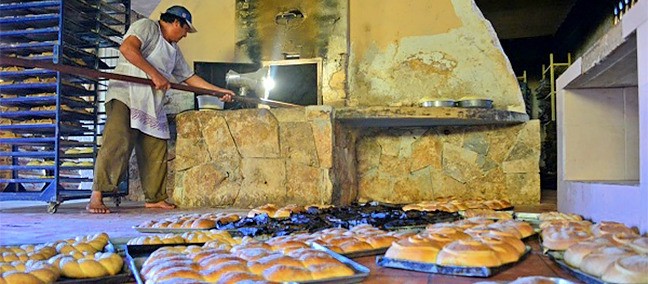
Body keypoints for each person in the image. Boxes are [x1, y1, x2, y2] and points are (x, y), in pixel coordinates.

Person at [86, 6, 235, 213]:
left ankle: (155, 197)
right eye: (185, 30)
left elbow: (189, 78)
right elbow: (128, 49)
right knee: (117, 142)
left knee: (155, 147)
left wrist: (217, 91)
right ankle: (97, 196)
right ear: (176, 23)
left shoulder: (174, 51)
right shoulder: (147, 26)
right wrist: (155, 74)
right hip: (126, 94)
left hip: (151, 101)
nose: (185, 35)